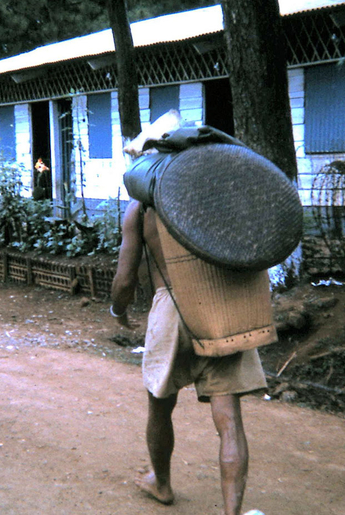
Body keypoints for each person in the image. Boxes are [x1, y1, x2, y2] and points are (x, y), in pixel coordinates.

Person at [110, 199, 267, 515]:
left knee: (160, 403)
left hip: (172, 307)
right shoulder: (216, 189)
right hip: (223, 306)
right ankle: (232, 512)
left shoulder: (143, 205)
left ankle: (162, 483)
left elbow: (126, 278)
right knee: (229, 418)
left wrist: (118, 309)